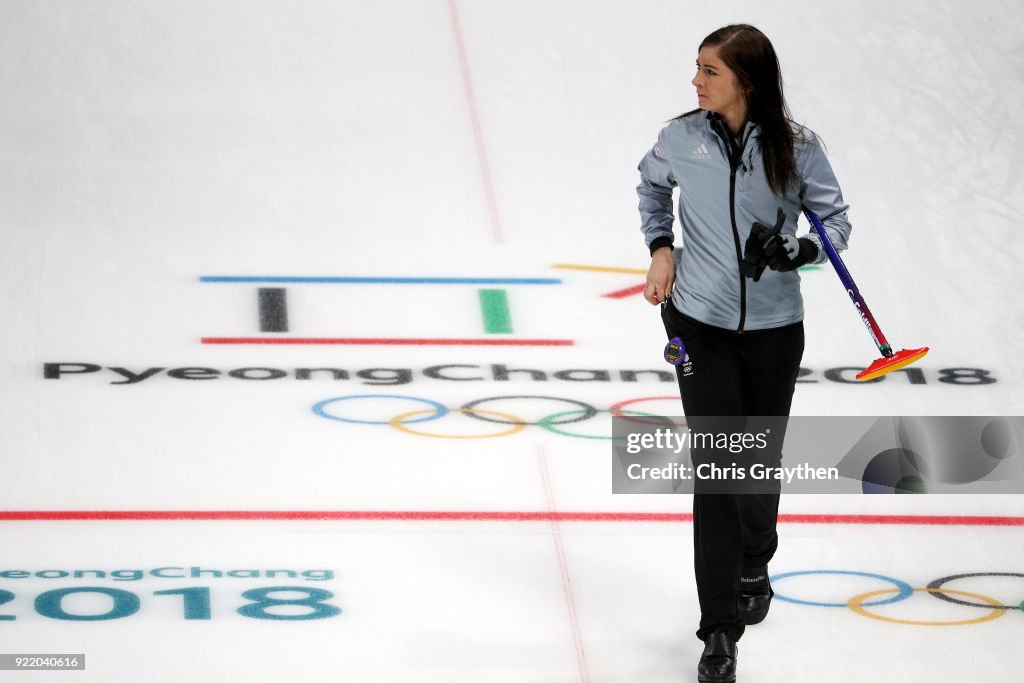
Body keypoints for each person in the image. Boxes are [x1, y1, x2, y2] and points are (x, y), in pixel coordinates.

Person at [635, 24, 852, 683]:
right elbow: (650, 187)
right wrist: (661, 246)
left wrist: (801, 249)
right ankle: (719, 629)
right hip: (698, 324)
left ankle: (758, 552)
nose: (696, 81)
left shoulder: (798, 148)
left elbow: (834, 220)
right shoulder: (681, 138)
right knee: (719, 471)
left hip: (775, 328)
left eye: (710, 71)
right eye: (698, 68)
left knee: (757, 461)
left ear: (747, 82)